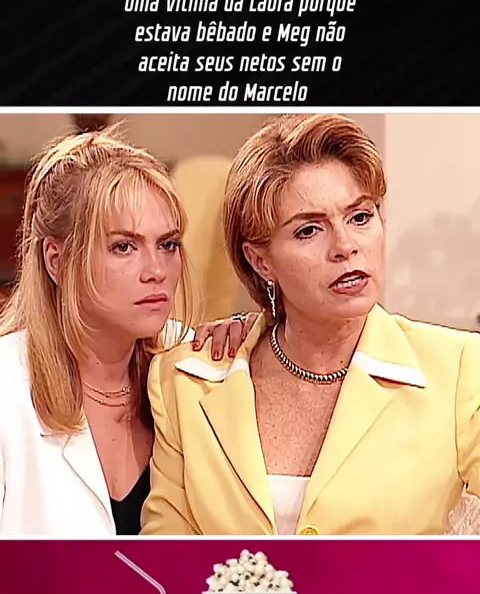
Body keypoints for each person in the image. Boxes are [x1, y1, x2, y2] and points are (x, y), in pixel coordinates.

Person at [142, 113, 480, 536]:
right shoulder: (185, 382)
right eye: (309, 231)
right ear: (260, 260)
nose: (346, 246)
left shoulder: (460, 369)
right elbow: (165, 556)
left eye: (360, 217)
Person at [0, 128, 254, 537]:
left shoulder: (195, 366)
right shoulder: (7, 388)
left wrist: (250, 346)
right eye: (124, 247)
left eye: (168, 244)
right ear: (56, 261)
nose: (156, 271)